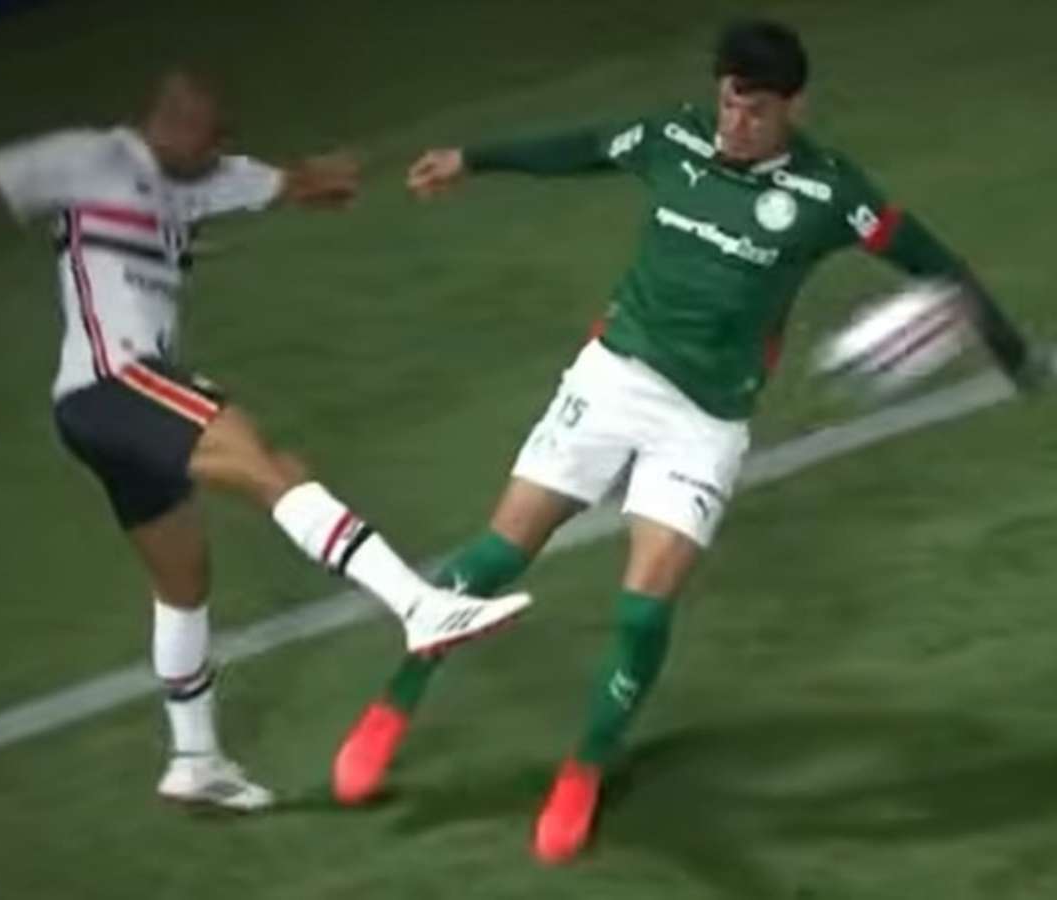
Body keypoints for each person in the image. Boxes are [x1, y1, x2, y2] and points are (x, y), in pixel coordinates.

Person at [330, 20, 1042, 862]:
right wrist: (472, 159)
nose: (736, 122)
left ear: (794, 107)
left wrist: (1014, 356)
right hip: (612, 380)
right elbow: (586, 148)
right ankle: (393, 704)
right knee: (498, 551)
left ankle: (584, 769)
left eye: (757, 110)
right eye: (730, 101)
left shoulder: (828, 192)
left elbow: (937, 266)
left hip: (704, 425)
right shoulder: (674, 138)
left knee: (644, 609)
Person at [0, 71, 530, 812]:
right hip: (117, 381)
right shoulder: (87, 160)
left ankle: (195, 761)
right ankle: (418, 607)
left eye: (195, 124)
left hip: (100, 410)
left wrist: (332, 177)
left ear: (216, 142)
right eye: (169, 113)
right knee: (271, 466)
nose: (175, 129)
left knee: (182, 582)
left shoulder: (211, 178)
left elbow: (293, 185)